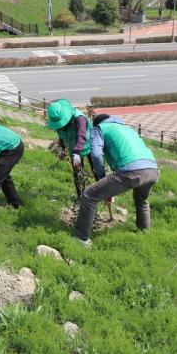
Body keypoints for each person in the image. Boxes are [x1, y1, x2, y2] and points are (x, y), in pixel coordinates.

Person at [73, 114, 159, 246]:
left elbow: (96, 154)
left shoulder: (99, 129)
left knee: (89, 195)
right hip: (152, 169)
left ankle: (81, 239)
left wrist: (101, 178)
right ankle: (144, 231)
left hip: (132, 170)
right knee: (141, 200)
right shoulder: (127, 128)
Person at [46, 99, 95, 196]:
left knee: (96, 169)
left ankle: (103, 194)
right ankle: (81, 196)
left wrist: (76, 153)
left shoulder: (79, 118)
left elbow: (81, 136)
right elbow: (61, 134)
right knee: (77, 173)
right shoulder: (59, 124)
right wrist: (62, 148)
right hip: (74, 147)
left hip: (90, 145)